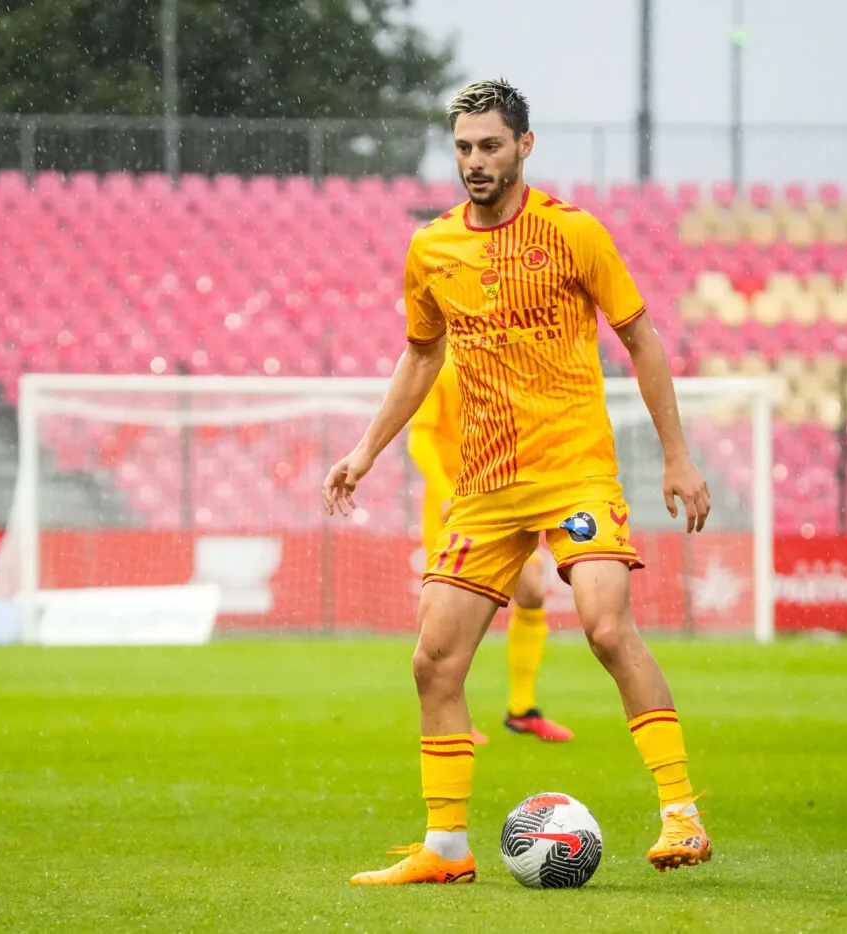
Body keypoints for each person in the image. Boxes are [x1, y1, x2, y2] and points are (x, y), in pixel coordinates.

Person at [322, 78, 714, 884]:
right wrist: (365, 450)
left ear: (524, 147)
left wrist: (677, 455)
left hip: (574, 474)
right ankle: (446, 848)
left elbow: (640, 340)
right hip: (487, 487)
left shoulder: (573, 233)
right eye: (464, 147)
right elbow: (422, 356)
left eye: (490, 146)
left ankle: (682, 813)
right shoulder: (432, 248)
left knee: (606, 626)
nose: (474, 161)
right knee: (433, 661)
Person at [408, 351, 574, 745]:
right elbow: (420, 440)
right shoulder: (442, 368)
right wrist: (448, 494)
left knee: (532, 588)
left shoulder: (504, 363)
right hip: (454, 512)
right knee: (454, 615)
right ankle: (449, 713)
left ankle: (522, 709)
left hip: (499, 503)